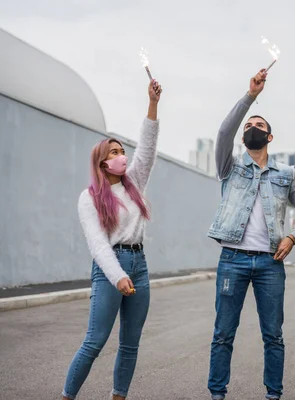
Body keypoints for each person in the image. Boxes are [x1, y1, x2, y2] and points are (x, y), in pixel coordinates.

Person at [206, 69, 295, 400]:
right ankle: (217, 394)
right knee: (223, 333)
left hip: (270, 263)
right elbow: (224, 130)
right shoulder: (229, 166)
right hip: (233, 260)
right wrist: (251, 95)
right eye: (249, 127)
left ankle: (273, 394)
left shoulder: (287, 174)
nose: (253, 129)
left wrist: (292, 237)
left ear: (270, 138)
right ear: (243, 138)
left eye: (260, 127)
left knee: (273, 335)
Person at [62, 80, 162, 400]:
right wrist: (118, 276)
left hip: (140, 265)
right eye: (115, 153)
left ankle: (118, 396)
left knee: (130, 344)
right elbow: (97, 244)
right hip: (111, 267)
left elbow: (147, 147)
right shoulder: (89, 198)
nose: (122, 157)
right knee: (95, 341)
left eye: (122, 151)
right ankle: (67, 396)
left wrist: (152, 103)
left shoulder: (134, 184)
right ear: (102, 162)